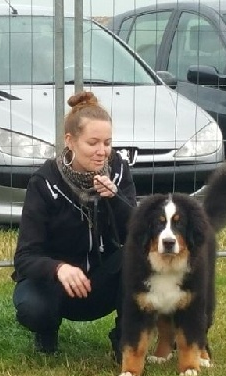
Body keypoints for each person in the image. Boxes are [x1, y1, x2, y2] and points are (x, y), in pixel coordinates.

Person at [11, 91, 137, 360]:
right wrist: (59, 269)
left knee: (138, 257)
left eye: (107, 142)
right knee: (33, 307)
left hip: (103, 281)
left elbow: (136, 234)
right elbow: (25, 257)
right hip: (59, 286)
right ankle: (46, 331)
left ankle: (125, 341)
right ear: (70, 141)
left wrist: (114, 200)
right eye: (93, 143)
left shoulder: (119, 170)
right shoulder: (44, 182)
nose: (102, 151)